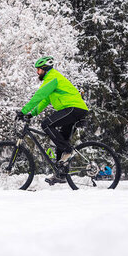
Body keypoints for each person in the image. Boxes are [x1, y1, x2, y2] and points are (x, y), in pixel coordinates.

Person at [18, 56, 89, 184]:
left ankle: (68, 150)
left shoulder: (52, 77)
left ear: (45, 69)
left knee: (46, 124)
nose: (37, 73)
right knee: (60, 140)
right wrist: (31, 114)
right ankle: (60, 174)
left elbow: (39, 95)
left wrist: (23, 111)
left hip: (73, 108)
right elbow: (45, 100)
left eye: (39, 70)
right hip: (73, 109)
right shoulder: (52, 80)